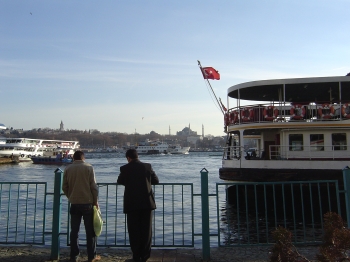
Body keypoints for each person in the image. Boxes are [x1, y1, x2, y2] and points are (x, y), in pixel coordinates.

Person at [117, 149, 159, 262]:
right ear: (138, 156)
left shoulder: (125, 168)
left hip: (132, 204)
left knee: (134, 231)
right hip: (147, 203)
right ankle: (145, 256)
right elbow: (156, 180)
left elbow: (119, 181)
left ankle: (136, 256)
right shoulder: (147, 167)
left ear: (128, 158)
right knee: (146, 230)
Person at [62, 150, 101, 262]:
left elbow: (64, 187)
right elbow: (93, 187)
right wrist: (95, 201)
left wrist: (71, 196)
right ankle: (91, 256)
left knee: (74, 231)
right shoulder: (89, 168)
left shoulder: (68, 169)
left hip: (74, 203)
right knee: (90, 232)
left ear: (73, 158)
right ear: (83, 158)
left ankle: (74, 256)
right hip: (87, 202)